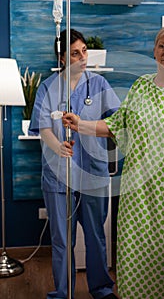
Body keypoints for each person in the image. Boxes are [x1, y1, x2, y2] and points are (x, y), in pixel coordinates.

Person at [62, 26, 164, 299]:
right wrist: (81, 125)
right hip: (138, 196)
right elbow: (116, 126)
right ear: (154, 51)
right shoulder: (140, 87)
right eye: (162, 46)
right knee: (133, 259)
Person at [29, 29, 120, 299]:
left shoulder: (99, 85)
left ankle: (102, 290)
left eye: (84, 51)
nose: (82, 58)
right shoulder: (48, 87)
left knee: (95, 237)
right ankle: (63, 293)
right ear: (62, 58)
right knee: (62, 241)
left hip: (92, 174)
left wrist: (88, 127)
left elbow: (116, 123)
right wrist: (58, 147)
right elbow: (44, 126)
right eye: (75, 53)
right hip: (59, 176)